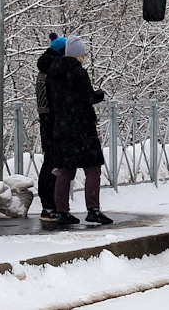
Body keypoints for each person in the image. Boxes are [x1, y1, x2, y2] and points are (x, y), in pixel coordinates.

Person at [45, 35, 113, 226]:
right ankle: (93, 209)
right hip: (81, 128)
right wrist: (98, 95)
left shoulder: (53, 73)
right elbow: (86, 98)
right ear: (77, 54)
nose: (84, 56)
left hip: (62, 127)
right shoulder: (77, 72)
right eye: (82, 53)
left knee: (65, 170)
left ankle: (62, 211)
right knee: (93, 168)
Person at [35, 32, 66, 222]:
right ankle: (50, 204)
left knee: (50, 163)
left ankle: (48, 203)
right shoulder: (53, 72)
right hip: (54, 123)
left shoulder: (44, 70)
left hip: (47, 121)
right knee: (53, 164)